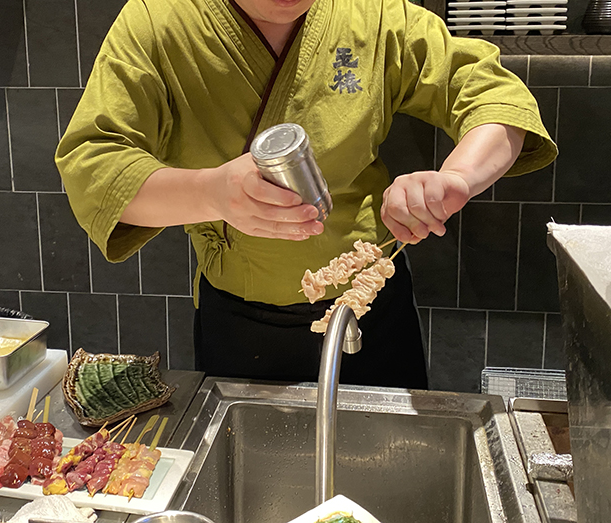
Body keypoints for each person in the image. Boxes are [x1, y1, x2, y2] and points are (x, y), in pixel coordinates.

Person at [56, 0, 557, 389]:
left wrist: (457, 178)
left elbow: (495, 95)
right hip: (238, 318)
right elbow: (94, 165)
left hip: (370, 308)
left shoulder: (375, 15)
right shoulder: (158, 21)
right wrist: (211, 192)